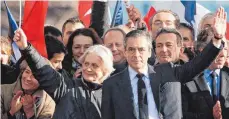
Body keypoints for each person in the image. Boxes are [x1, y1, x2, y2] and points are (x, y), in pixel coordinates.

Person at [101, 7, 226, 119]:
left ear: (150, 52)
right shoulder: (111, 83)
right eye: (131, 49)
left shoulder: (169, 72)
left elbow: (199, 64)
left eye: (141, 49)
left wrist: (217, 39)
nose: (136, 54)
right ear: (125, 52)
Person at [13, 29, 115, 119]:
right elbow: (44, 71)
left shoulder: (112, 96)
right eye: (86, 63)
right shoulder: (66, 87)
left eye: (94, 65)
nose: (88, 69)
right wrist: (26, 48)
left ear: (105, 70)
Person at [182, 26, 229, 119]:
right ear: (203, 50)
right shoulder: (186, 77)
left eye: (226, 49)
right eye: (219, 48)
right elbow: (180, 114)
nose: (223, 54)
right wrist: (209, 115)